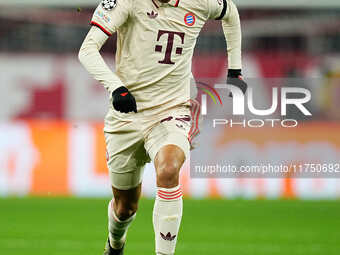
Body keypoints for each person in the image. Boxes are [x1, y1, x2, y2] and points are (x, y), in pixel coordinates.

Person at [78, 0, 247, 254]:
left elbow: (230, 12)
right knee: (125, 208)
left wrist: (235, 70)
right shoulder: (126, 2)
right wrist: (116, 87)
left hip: (173, 109)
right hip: (127, 114)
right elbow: (87, 50)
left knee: (168, 169)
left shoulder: (200, 2)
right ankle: (115, 244)